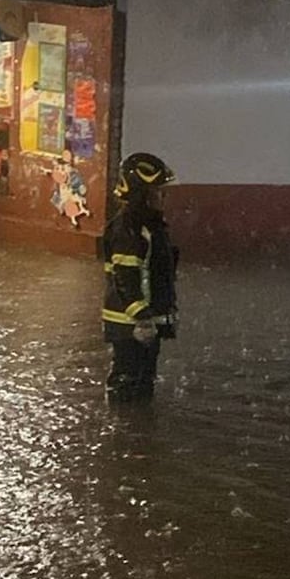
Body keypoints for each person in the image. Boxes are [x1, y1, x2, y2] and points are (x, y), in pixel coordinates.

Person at [101, 152, 179, 403]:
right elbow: (125, 278)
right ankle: (123, 433)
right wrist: (142, 318)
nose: (163, 197)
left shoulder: (150, 226)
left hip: (143, 322)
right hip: (130, 325)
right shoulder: (130, 229)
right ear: (142, 195)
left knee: (143, 384)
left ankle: (135, 434)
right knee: (127, 384)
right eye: (158, 191)